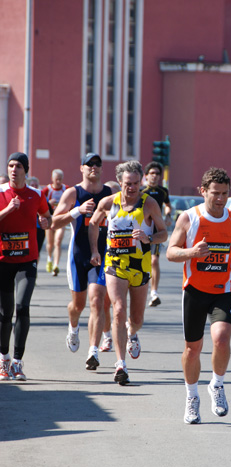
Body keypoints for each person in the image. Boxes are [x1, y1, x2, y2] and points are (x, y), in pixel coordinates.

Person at [166, 167, 231, 424]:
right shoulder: (189, 219)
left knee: (221, 339)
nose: (220, 199)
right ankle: (192, 397)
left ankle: (217, 384)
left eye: (224, 193)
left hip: (223, 289)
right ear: (203, 192)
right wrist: (191, 253)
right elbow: (170, 252)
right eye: (215, 193)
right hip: (194, 290)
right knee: (193, 349)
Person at [89, 161, 167, 385]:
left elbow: (164, 233)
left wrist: (148, 238)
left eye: (135, 183)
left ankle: (133, 333)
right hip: (115, 265)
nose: (131, 188)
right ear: (120, 182)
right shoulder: (108, 203)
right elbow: (93, 224)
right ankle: (120, 364)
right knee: (118, 310)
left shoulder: (149, 203)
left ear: (140, 181)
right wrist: (95, 250)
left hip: (140, 268)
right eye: (127, 184)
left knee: (137, 319)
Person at [52, 153, 112, 370]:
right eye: (90, 164)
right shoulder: (73, 192)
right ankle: (73, 326)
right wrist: (77, 211)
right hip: (78, 255)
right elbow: (53, 223)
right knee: (78, 305)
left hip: (102, 254)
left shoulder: (109, 193)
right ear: (82, 168)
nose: (94, 167)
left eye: (98, 164)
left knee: (97, 301)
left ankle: (93, 352)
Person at [0, 153, 52, 381]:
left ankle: (18, 363)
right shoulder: (1, 193)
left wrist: (45, 223)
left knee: (22, 307)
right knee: (4, 314)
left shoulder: (37, 195)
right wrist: (9, 209)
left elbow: (47, 218)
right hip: (3, 261)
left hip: (27, 261)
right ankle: (4, 359)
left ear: (26, 170)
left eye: (18, 166)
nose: (13, 169)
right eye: (10, 165)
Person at [141, 161, 172, 306]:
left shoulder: (163, 191)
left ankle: (154, 293)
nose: (155, 176)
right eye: (152, 173)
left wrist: (168, 215)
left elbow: (167, 205)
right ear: (146, 176)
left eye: (157, 174)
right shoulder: (141, 191)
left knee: (154, 260)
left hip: (157, 232)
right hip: (142, 230)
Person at [99, 181, 121, 353]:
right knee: (105, 302)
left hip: (126, 261)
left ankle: (131, 332)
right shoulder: (102, 207)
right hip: (104, 259)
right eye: (109, 194)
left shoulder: (130, 210)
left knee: (121, 304)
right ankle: (107, 337)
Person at [42, 169, 68, 276]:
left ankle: (56, 265)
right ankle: (49, 259)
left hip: (61, 219)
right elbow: (40, 200)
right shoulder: (47, 190)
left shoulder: (66, 189)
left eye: (60, 179)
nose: (58, 182)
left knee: (58, 242)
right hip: (50, 219)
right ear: (52, 179)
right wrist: (48, 202)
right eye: (57, 179)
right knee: (50, 244)